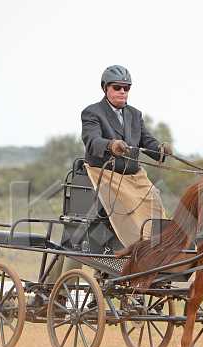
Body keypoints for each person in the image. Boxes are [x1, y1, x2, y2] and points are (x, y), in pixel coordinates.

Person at [80, 65, 172, 247]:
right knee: (129, 202)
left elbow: (146, 140)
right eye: (117, 87)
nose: (122, 91)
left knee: (155, 198)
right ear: (105, 88)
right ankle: (137, 247)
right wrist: (111, 145)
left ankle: (159, 245)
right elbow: (92, 140)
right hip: (106, 174)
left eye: (126, 88)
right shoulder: (92, 112)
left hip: (134, 175)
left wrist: (160, 149)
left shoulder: (135, 114)